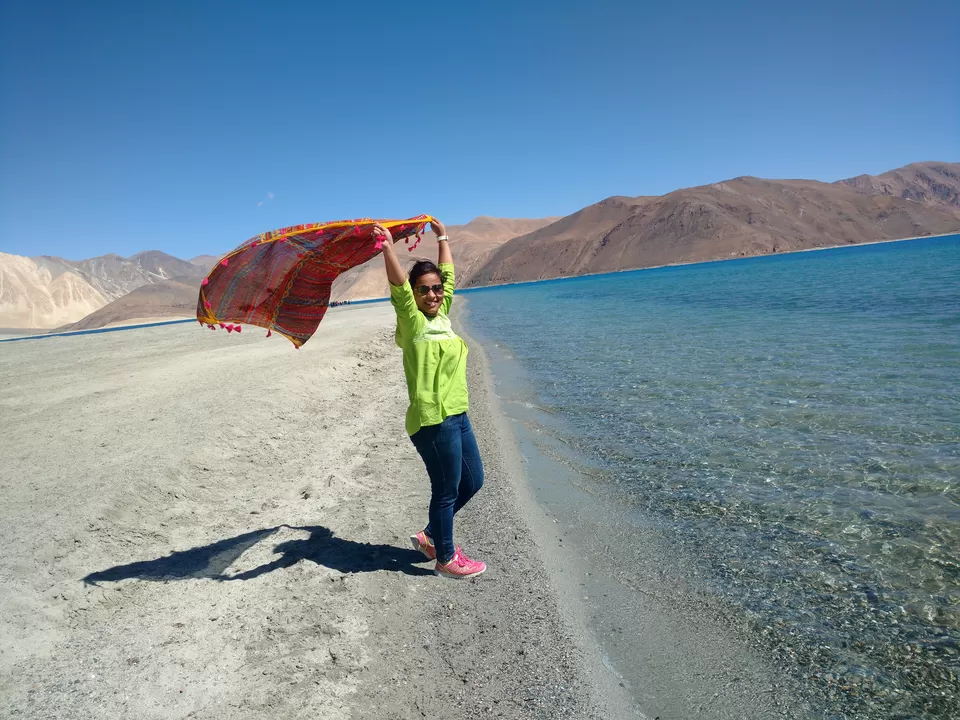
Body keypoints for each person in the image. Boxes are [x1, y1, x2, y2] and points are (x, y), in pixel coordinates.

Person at [373, 219, 487, 579]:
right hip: (432, 419)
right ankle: (446, 557)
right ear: (415, 294)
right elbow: (399, 291)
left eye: (436, 289)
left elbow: (449, 274)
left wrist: (442, 236)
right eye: (424, 290)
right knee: (446, 491)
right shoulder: (413, 322)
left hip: (458, 415)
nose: (434, 295)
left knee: (474, 481)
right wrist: (389, 249)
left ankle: (430, 536)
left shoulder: (444, 317)